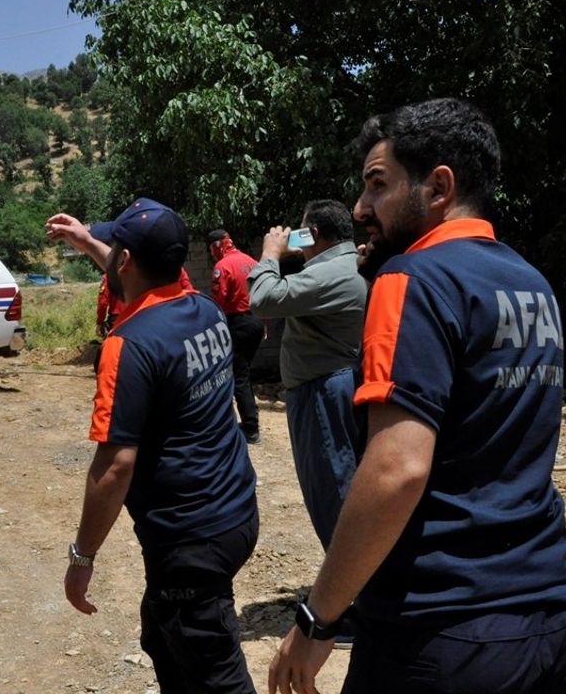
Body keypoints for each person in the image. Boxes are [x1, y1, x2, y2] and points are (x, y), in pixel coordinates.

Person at [267, 99, 566, 694]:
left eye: (378, 185)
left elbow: (397, 468)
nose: (361, 208)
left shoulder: (410, 279)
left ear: (438, 187)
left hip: (441, 632)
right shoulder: (531, 283)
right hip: (555, 617)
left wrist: (317, 619)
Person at [47, 199, 261, 694]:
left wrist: (82, 558)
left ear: (125, 261)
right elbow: (135, 279)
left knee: (215, 673)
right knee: (163, 638)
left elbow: (115, 466)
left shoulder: (128, 345)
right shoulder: (203, 309)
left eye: (114, 247)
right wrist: (88, 242)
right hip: (235, 515)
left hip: (190, 541)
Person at [247, 201, 366, 551]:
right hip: (336, 385)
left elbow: (263, 298)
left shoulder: (330, 272)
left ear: (312, 233)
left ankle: (348, 574)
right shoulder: (355, 263)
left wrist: (271, 253)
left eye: (302, 231)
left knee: (332, 488)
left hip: (322, 394)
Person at [207, 230, 264, 444]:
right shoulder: (251, 262)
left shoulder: (222, 266)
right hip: (256, 321)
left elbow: (219, 301)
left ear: (217, 246)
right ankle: (249, 419)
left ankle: (251, 428)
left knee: (237, 376)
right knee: (244, 372)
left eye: (211, 249)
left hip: (238, 323)